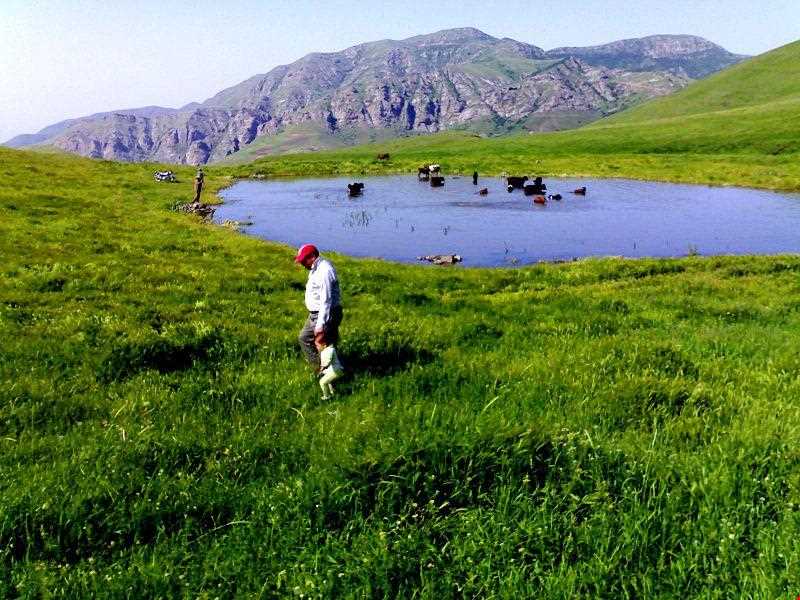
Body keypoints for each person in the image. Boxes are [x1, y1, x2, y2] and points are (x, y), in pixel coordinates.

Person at [295, 244, 343, 372]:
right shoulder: (315, 268)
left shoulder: (325, 270)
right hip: (316, 314)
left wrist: (320, 324)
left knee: (324, 345)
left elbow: (326, 300)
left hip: (326, 314)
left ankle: (326, 372)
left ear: (312, 256)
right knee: (306, 338)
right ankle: (322, 369)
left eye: (303, 260)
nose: (302, 264)